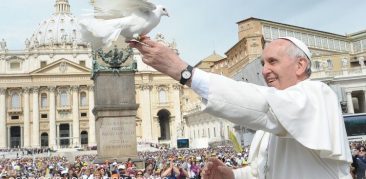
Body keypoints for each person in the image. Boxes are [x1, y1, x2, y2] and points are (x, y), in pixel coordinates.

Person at [130, 36, 353, 179]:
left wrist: (184, 72)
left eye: (272, 62)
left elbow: (263, 105)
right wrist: (233, 175)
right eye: (262, 64)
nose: (265, 70)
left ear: (300, 65)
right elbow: (262, 171)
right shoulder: (275, 121)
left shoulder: (318, 94)